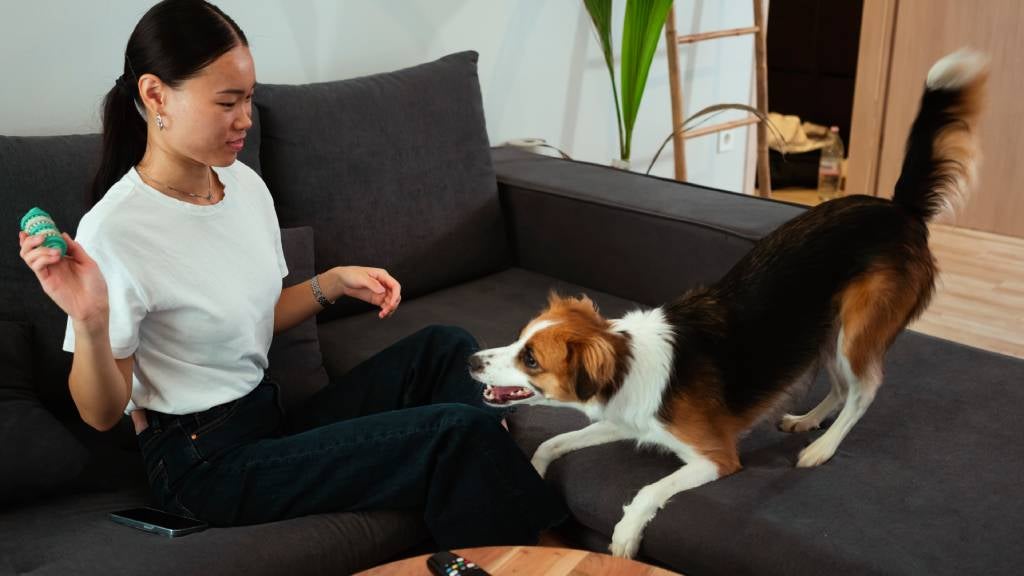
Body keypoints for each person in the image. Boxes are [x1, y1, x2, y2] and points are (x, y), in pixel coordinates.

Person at [17, 0, 565, 549]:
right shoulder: (115, 231)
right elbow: (100, 412)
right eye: (227, 102)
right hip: (202, 466)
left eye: (249, 98)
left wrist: (332, 282)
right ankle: (523, 535)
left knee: (445, 349)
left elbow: (247, 321)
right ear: (156, 95)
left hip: (268, 417)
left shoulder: (244, 186)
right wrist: (89, 318)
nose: (245, 120)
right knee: (456, 432)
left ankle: (489, 486)